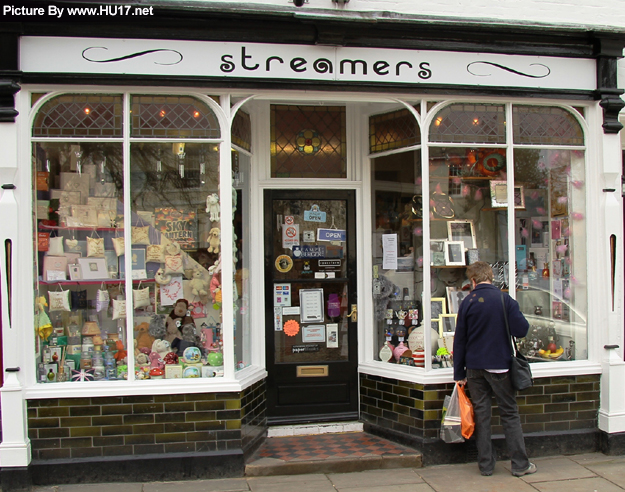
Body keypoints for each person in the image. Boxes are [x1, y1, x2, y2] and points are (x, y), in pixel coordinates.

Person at [453, 261, 537, 478]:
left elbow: (459, 340)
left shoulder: (468, 302)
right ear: (491, 277)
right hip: (500, 366)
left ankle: (486, 466)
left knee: (482, 416)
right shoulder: (504, 299)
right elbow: (521, 330)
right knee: (509, 413)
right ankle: (519, 464)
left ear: (473, 281)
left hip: (474, 368)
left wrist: (459, 374)